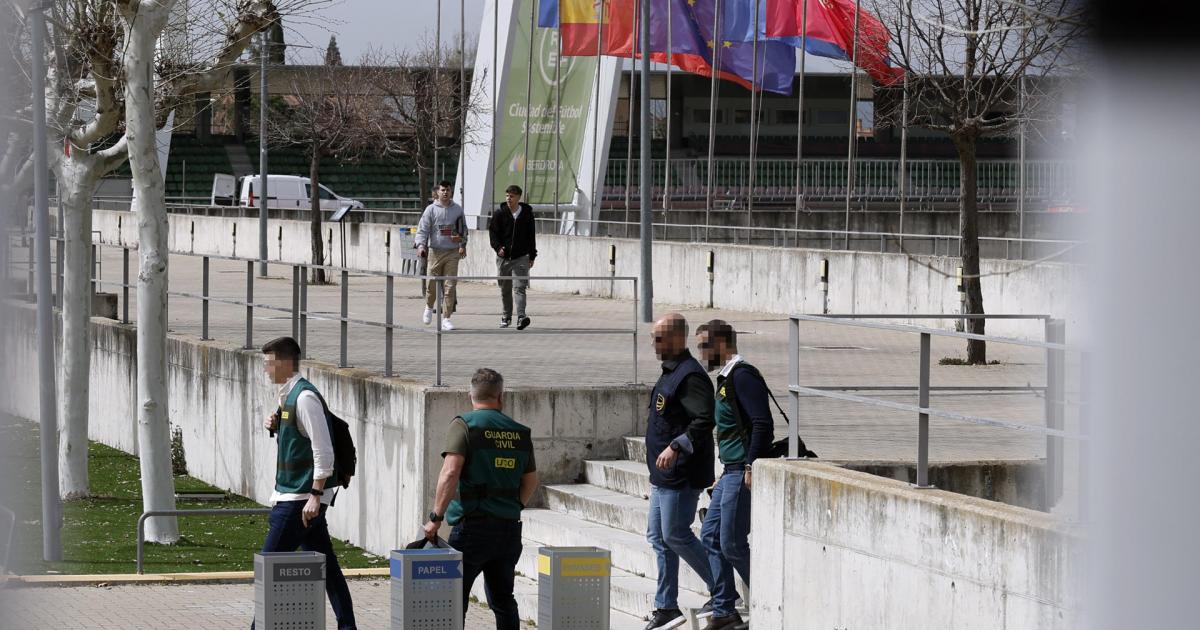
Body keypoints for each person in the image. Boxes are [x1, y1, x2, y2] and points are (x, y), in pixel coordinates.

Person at [423, 368, 539, 630]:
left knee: (454, 599)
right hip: (508, 529)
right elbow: (531, 480)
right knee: (503, 600)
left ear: (470, 395)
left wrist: (435, 518)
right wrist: (514, 505)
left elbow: (450, 472)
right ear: (501, 396)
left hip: (472, 528)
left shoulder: (464, 425)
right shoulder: (520, 432)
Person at [256, 336, 356, 630]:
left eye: (268, 363)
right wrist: (274, 424)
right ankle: (347, 627)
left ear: (285, 363)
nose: (265, 369)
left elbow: (323, 450)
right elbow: (296, 436)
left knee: (268, 569)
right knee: (329, 570)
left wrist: (315, 494)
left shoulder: (305, 397)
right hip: (297, 496)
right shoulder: (288, 396)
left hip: (300, 500)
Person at [694, 319, 772, 630]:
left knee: (732, 543)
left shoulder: (743, 376)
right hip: (730, 471)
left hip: (743, 470)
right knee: (710, 536)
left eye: (704, 346)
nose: (701, 353)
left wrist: (751, 465)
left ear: (722, 344)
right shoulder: (725, 379)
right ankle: (725, 609)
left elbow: (762, 423)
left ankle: (770, 595)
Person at [642, 313, 717, 630]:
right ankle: (666, 606)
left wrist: (676, 446)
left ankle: (722, 587)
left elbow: (704, 419)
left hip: (680, 473)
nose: (654, 345)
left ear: (675, 339)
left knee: (675, 534)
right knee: (658, 538)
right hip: (662, 476)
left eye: (658, 339)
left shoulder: (690, 376)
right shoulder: (671, 372)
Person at [416, 180, 468, 331]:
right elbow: (423, 229)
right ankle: (428, 306)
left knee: (450, 286)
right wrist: (421, 245)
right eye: (443, 190)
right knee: (432, 282)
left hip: (452, 252)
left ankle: (446, 317)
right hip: (435, 251)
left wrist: (462, 244)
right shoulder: (430, 210)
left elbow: (463, 230)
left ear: (451, 192)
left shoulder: (457, 210)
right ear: (438, 192)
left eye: (448, 190)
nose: (445, 193)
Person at [488, 184, 537, 329]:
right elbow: (493, 234)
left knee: (520, 287)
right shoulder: (499, 214)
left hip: (521, 257)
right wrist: (498, 248)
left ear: (518, 198)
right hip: (503, 258)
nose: (509, 198)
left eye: (512, 196)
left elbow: (531, 236)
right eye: (507, 196)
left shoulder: (527, 214)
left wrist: (532, 255)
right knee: (505, 288)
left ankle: (521, 316)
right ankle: (506, 316)